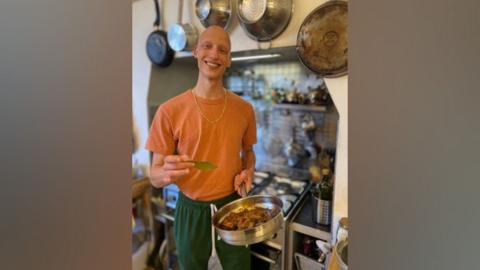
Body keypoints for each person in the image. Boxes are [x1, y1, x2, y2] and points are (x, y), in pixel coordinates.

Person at [145, 26, 256, 270]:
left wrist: (249, 171)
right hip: (190, 212)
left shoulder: (244, 109)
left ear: (228, 60)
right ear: (195, 51)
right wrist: (166, 174)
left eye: (222, 50)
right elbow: (153, 176)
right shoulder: (169, 111)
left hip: (233, 209)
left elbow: (248, 152)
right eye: (207, 46)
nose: (214, 54)